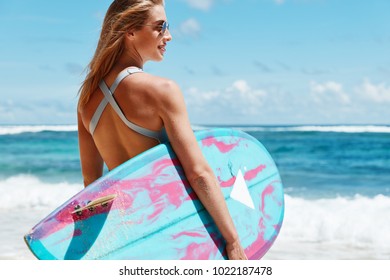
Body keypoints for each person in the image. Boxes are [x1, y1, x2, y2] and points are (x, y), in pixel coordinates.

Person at [77, 0, 247, 260]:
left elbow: (93, 186)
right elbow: (199, 173)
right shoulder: (163, 90)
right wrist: (232, 241)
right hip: (177, 233)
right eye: (160, 27)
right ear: (130, 31)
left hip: (134, 238)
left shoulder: (86, 100)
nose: (169, 36)